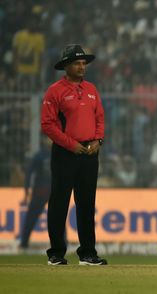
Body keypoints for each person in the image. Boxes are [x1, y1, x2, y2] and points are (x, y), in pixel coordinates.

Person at [41, 44, 107, 266]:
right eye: (77, 63)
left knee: (87, 203)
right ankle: (56, 253)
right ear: (66, 66)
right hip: (65, 153)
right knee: (59, 202)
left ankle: (88, 253)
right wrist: (71, 145)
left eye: (83, 63)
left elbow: (100, 118)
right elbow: (48, 125)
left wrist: (98, 140)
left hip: (89, 153)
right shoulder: (55, 91)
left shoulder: (91, 89)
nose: (82, 67)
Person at [19, 137, 51, 250]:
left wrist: (27, 190)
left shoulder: (39, 155)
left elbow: (29, 172)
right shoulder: (56, 155)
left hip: (40, 190)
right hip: (51, 190)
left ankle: (23, 243)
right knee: (58, 216)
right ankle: (63, 243)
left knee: (31, 216)